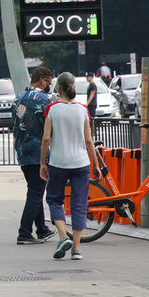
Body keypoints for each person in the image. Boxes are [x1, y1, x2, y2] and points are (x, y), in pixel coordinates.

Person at [41, 72, 101, 261]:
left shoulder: (52, 109)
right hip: (81, 163)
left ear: (58, 89)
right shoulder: (83, 109)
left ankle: (61, 236)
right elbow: (89, 141)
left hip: (58, 162)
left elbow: (46, 138)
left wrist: (43, 162)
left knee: (54, 199)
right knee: (79, 203)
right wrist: (96, 165)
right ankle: (76, 248)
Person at [11, 67, 57, 245]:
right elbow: (49, 129)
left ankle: (42, 229)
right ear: (43, 81)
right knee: (36, 192)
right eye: (49, 83)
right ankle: (24, 232)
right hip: (39, 152)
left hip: (22, 150)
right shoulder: (46, 100)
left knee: (34, 190)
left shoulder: (18, 97)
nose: (49, 87)